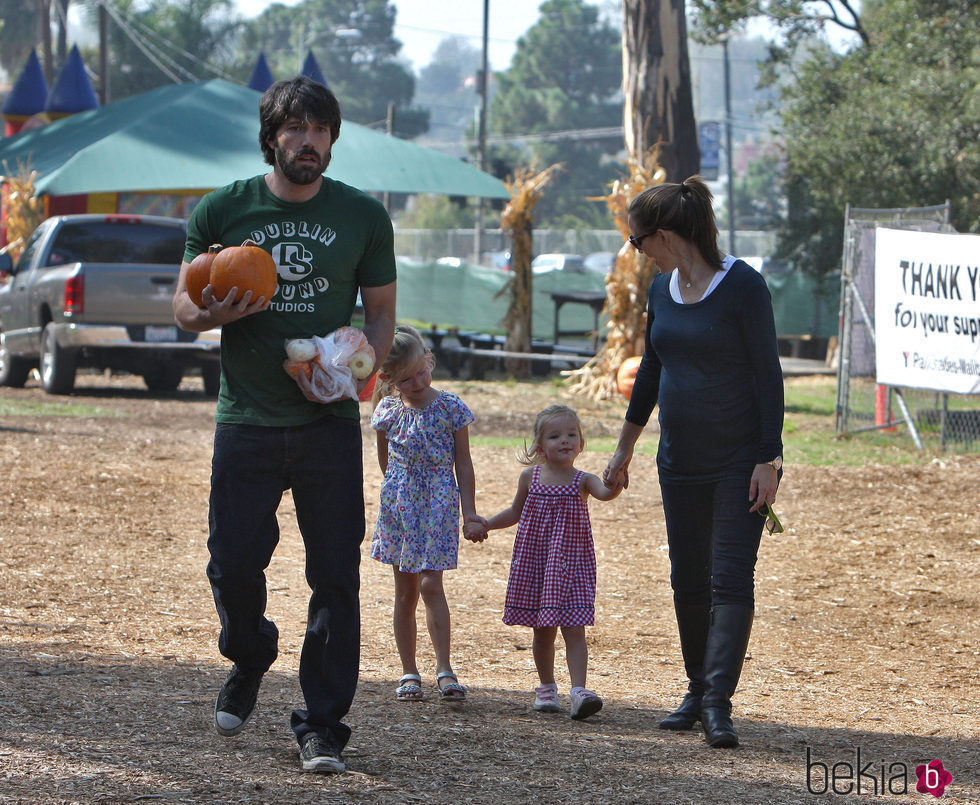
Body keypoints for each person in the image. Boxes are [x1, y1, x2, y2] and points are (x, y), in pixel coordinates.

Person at [172, 76, 396, 774]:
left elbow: (382, 313)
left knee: (336, 575)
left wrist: (361, 367)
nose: (310, 141)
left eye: (321, 130)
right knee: (232, 563)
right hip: (248, 419)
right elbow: (183, 308)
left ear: (332, 139)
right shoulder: (223, 209)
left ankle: (322, 723)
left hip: (327, 422)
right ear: (272, 136)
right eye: (296, 129)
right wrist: (214, 316)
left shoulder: (363, 216)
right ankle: (251, 650)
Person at [602, 175, 784, 749]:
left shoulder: (744, 287)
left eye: (636, 241)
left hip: (739, 461)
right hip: (678, 461)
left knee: (729, 576)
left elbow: (768, 374)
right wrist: (626, 447)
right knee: (687, 577)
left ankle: (717, 704)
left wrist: (767, 458)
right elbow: (651, 371)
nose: (635, 252)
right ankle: (696, 685)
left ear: (662, 235)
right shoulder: (662, 290)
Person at [481, 405, 621, 719]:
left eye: (572, 434)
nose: (565, 440)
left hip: (571, 566)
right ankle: (546, 687)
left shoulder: (584, 480)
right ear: (540, 446)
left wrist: (617, 479)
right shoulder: (530, 477)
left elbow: (605, 492)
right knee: (543, 631)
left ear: (581, 443)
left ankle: (578, 691)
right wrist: (486, 524)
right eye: (555, 435)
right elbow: (515, 513)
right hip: (537, 564)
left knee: (574, 628)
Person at [369, 325, 484, 702]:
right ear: (387, 379)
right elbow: (387, 463)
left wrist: (469, 512)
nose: (417, 382)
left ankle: (444, 668)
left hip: (438, 502)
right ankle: (408, 670)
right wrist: (401, 495)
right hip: (401, 506)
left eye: (421, 372)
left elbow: (463, 463)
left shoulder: (451, 408)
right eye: (406, 378)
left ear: (429, 360)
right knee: (404, 592)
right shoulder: (387, 411)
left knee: (431, 584)